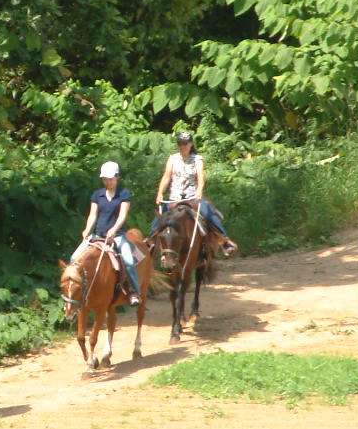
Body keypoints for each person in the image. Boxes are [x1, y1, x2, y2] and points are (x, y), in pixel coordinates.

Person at [153, 131, 238, 257]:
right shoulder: (173, 159)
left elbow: (201, 176)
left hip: (192, 197)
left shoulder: (197, 159)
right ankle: (150, 242)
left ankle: (224, 241)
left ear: (191, 144)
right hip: (174, 198)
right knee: (160, 217)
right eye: (180, 144)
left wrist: (199, 191)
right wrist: (160, 193)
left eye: (185, 144)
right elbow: (166, 177)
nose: (182, 146)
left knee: (208, 212)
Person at [72, 161, 142, 306]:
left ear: (117, 177)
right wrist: (87, 229)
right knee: (74, 258)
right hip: (97, 235)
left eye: (110, 179)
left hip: (117, 236)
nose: (108, 182)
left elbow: (122, 215)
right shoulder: (97, 195)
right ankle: (76, 291)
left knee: (129, 261)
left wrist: (114, 230)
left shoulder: (124, 194)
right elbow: (93, 215)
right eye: (105, 179)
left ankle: (134, 292)